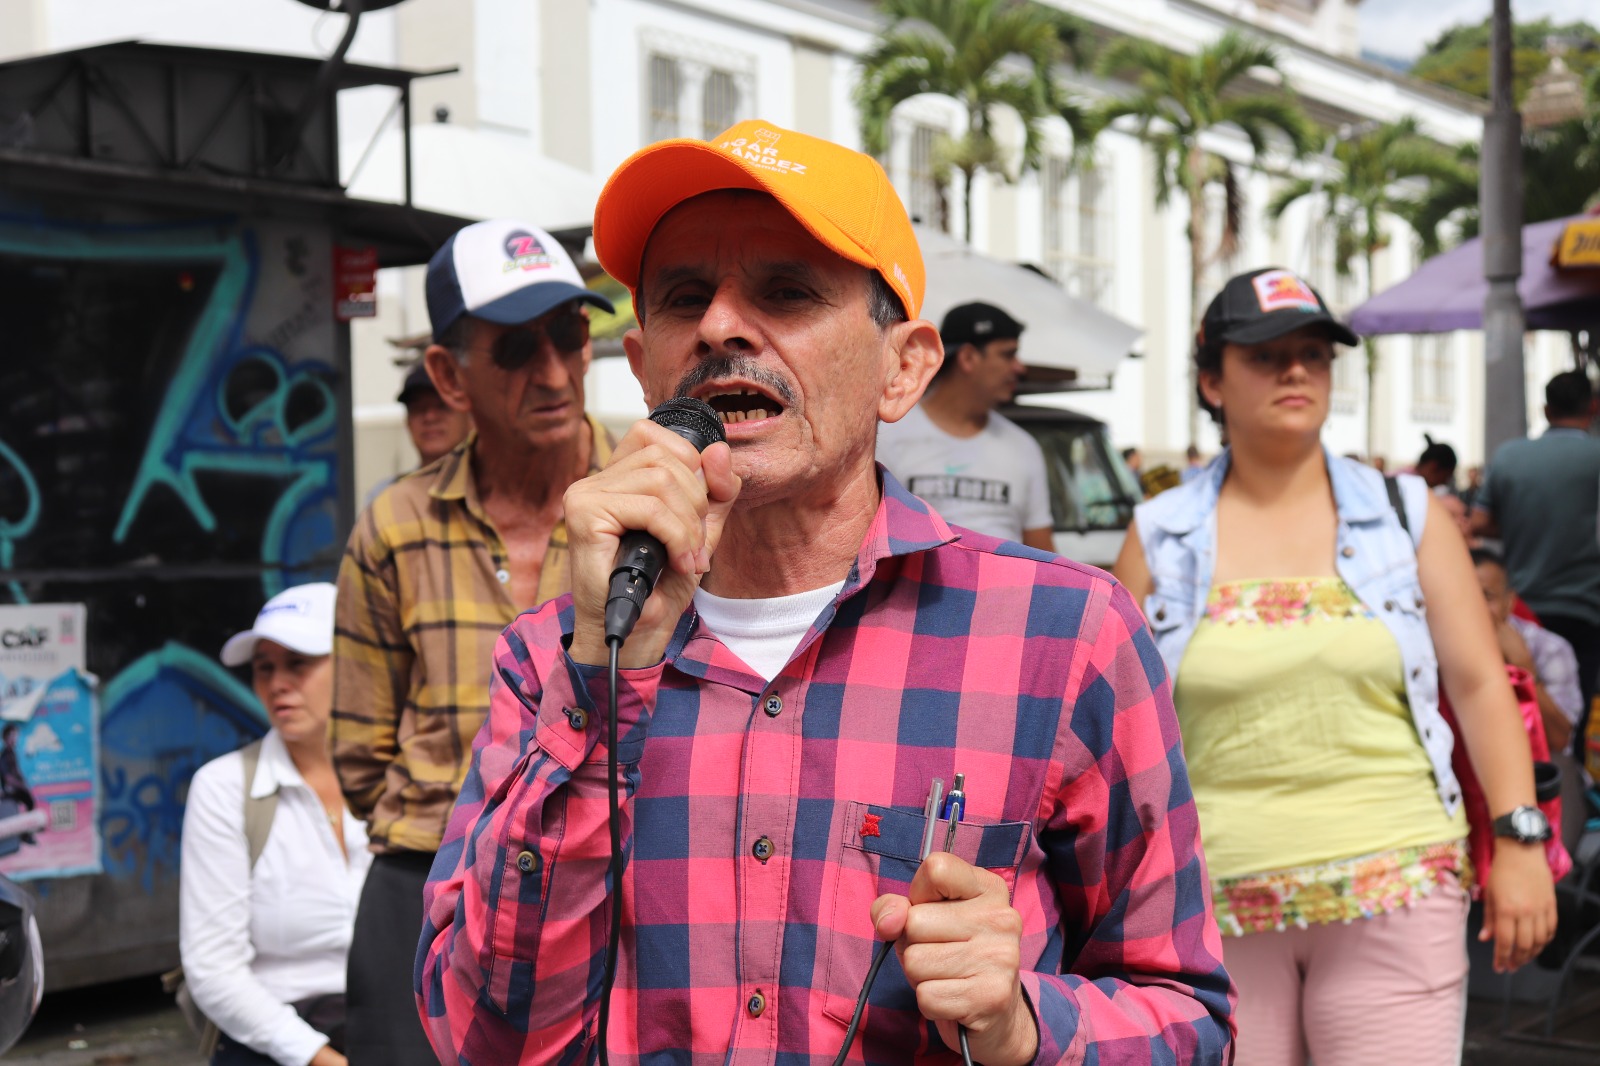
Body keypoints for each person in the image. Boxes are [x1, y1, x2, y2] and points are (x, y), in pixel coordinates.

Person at [418, 120, 1235, 1064]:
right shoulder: (554, 657)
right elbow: (480, 1036)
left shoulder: (1065, 634)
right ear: (643, 369)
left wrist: (1022, 1025)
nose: (722, 326)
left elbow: (1189, 1019)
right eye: (687, 296)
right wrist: (608, 682)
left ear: (904, 368)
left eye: (787, 291)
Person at [1114, 267, 1556, 1066]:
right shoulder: (1160, 533)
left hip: (1400, 892)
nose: (1295, 372)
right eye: (1266, 355)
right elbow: (1119, 730)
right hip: (1212, 914)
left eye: (1313, 354)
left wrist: (1521, 841)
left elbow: (1480, 680)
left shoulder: (1406, 516)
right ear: (1211, 381)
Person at [331, 219, 615, 1066]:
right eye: (518, 348)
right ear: (450, 377)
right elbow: (358, 754)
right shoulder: (395, 525)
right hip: (423, 881)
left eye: (570, 334)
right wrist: (457, 829)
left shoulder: (653, 499)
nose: (556, 371)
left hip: (606, 874)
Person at [180, 583, 369, 1066]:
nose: (277, 682)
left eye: (298, 663)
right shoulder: (224, 788)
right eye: (265, 668)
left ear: (353, 663)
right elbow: (213, 969)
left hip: (396, 1026)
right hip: (274, 1039)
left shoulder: (403, 780)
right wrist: (317, 1057)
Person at [1472, 369, 1600, 754]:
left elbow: (1480, 522)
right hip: (1586, 610)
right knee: (1569, 732)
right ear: (1593, 408)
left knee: (1510, 720)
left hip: (1518, 608)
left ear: (1545, 409)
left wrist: (1519, 526)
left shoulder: (1510, 456)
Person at [876, 302, 1054, 548]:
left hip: (1008, 586)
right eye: (1008, 354)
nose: (1019, 368)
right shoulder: (888, 434)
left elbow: (1043, 554)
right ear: (968, 357)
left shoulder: (1023, 447)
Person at [1473, 546, 1587, 849]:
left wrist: (1524, 671)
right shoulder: (1435, 646)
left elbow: (1560, 739)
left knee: (1558, 771)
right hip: (1473, 768)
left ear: (1510, 602)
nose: (1473, 608)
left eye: (1486, 597)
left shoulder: (1548, 648)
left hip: (1539, 765)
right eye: (1465, 596)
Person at [361, 366, 473, 509]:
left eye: (442, 406)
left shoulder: (494, 493)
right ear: (407, 423)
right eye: (418, 408)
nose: (430, 417)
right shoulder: (385, 498)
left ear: (470, 418)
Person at [0, 724, 34, 812]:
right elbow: (8, 778)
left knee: (29, 799)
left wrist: (24, 783)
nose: (15, 739)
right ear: (5, 738)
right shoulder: (4, 756)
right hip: (10, 790)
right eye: (12, 736)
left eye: (15, 736)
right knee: (28, 799)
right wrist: (21, 786)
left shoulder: (12, 754)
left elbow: (17, 772)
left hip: (16, 788)